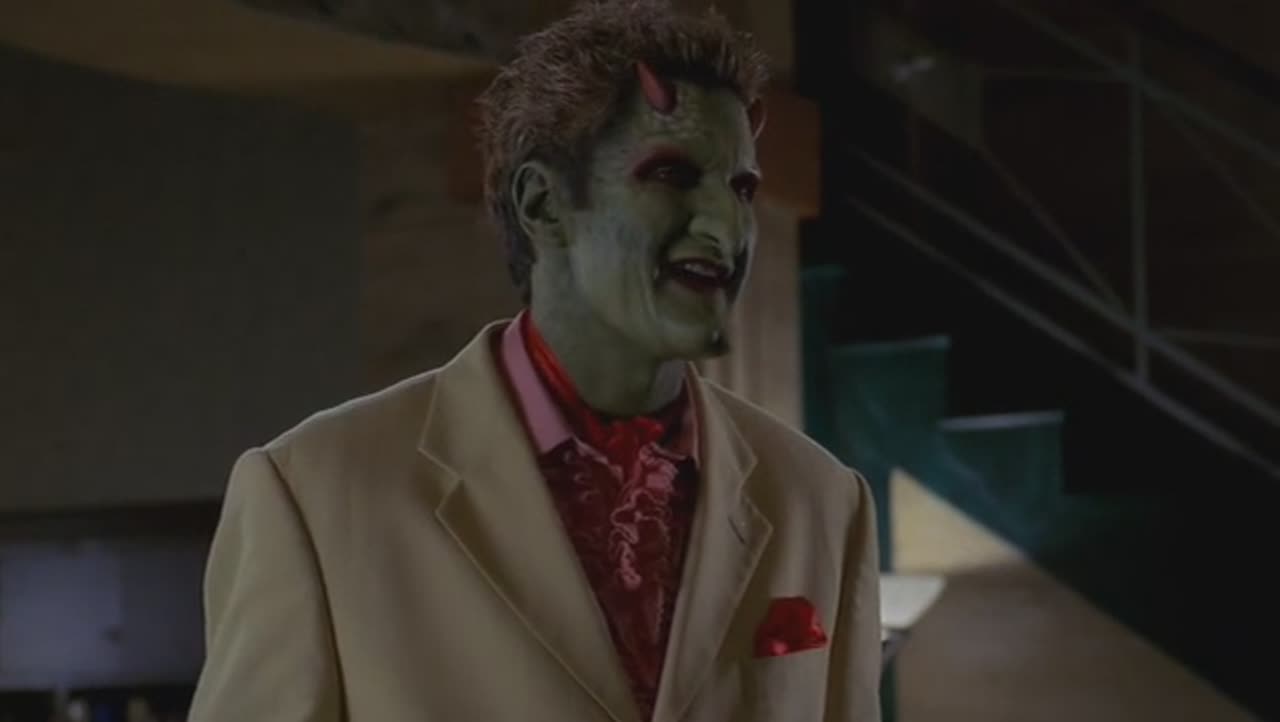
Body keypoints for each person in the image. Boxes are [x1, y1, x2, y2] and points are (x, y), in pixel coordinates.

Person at [187, 1, 881, 720]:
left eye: (741, 187)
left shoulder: (821, 501)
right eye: (671, 174)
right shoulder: (316, 492)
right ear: (542, 203)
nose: (727, 225)